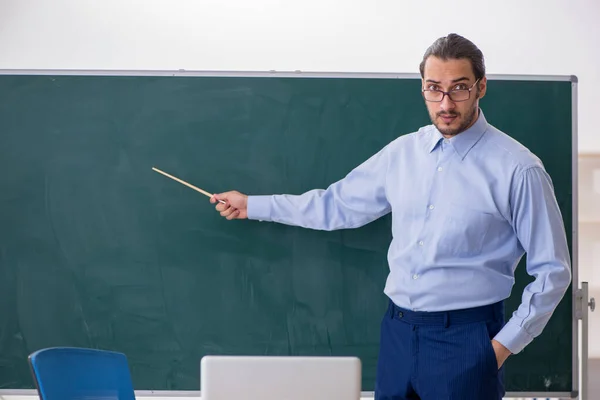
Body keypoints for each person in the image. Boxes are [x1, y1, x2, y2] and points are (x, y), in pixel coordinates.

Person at [209, 33, 572, 400]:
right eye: (434, 88)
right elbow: (334, 206)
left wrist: (500, 348)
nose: (445, 103)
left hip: (466, 338)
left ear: (481, 87)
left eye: (459, 88)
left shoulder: (518, 169)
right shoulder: (402, 154)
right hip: (397, 331)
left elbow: (554, 271)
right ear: (423, 88)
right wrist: (251, 205)